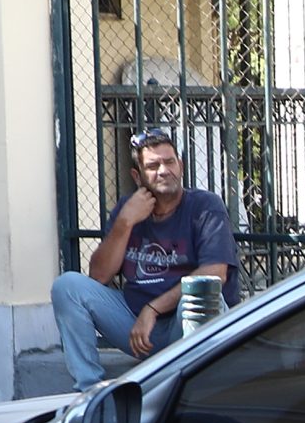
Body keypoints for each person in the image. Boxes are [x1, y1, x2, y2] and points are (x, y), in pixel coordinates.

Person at [50, 127, 241, 386]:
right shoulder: (128, 209)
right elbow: (99, 276)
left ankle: (195, 387)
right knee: (67, 286)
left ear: (181, 166)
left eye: (169, 162)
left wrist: (152, 309)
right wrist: (125, 222)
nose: (164, 171)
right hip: (138, 332)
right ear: (137, 176)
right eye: (153, 166)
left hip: (190, 328)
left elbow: (214, 274)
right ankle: (89, 389)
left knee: (199, 294)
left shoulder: (205, 206)